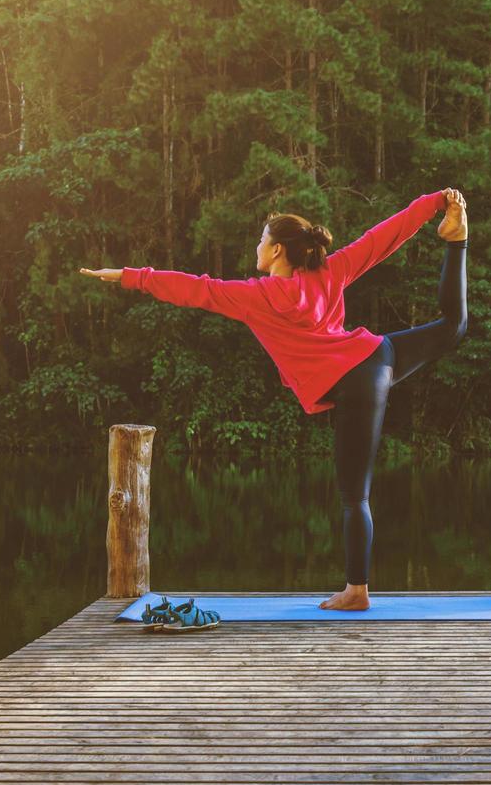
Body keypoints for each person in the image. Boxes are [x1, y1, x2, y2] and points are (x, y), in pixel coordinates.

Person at [79, 188, 469, 610]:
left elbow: (196, 289)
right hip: (379, 355)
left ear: (277, 249)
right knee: (454, 325)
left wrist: (129, 276)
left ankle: (356, 591)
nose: (256, 246)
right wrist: (435, 204)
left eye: (261, 240)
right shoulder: (330, 271)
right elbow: (383, 237)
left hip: (357, 381)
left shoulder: (258, 297)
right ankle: (457, 239)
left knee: (354, 495)